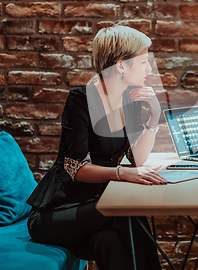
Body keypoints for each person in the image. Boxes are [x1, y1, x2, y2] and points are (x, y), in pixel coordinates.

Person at [26, 25, 167, 270]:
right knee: (126, 214)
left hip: (96, 210)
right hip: (59, 211)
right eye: (143, 62)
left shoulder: (129, 100)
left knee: (109, 242)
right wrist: (121, 173)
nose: (149, 69)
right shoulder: (80, 100)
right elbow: (75, 168)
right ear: (121, 65)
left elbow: (137, 159)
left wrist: (154, 114)